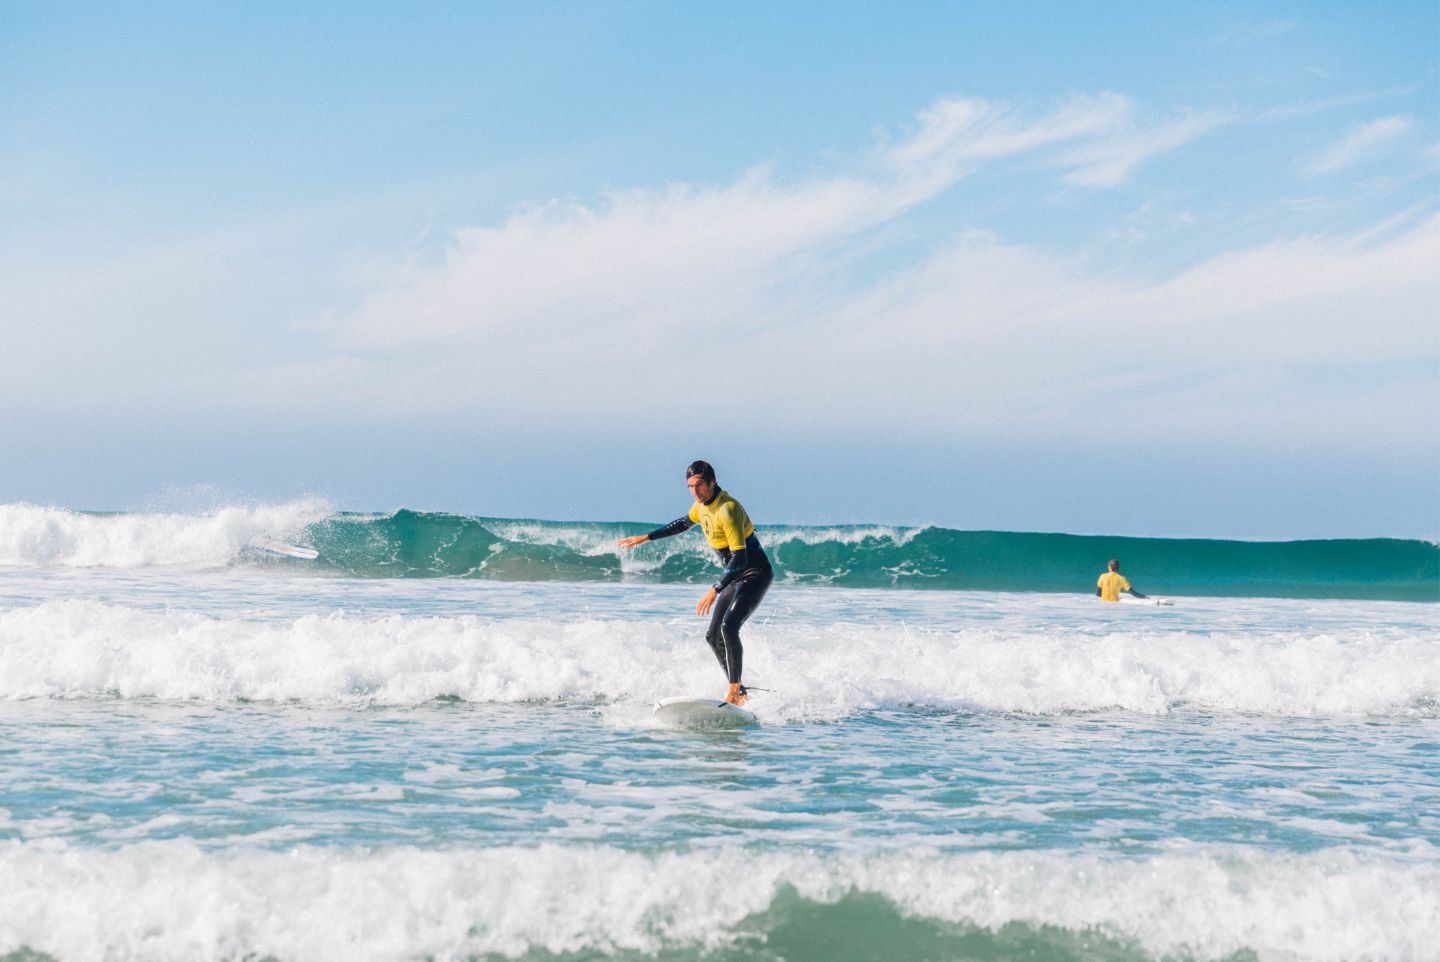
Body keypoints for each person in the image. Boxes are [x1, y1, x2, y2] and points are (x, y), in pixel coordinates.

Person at [616, 460, 773, 706]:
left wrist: (714, 590)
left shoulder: (727, 509)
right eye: (690, 486)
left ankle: (734, 691)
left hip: (755, 573)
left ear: (712, 482)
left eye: (699, 485)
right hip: (735, 574)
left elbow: (740, 558)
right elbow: (683, 523)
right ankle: (740, 691)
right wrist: (647, 537)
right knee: (713, 635)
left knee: (729, 627)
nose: (695, 491)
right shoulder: (701, 506)